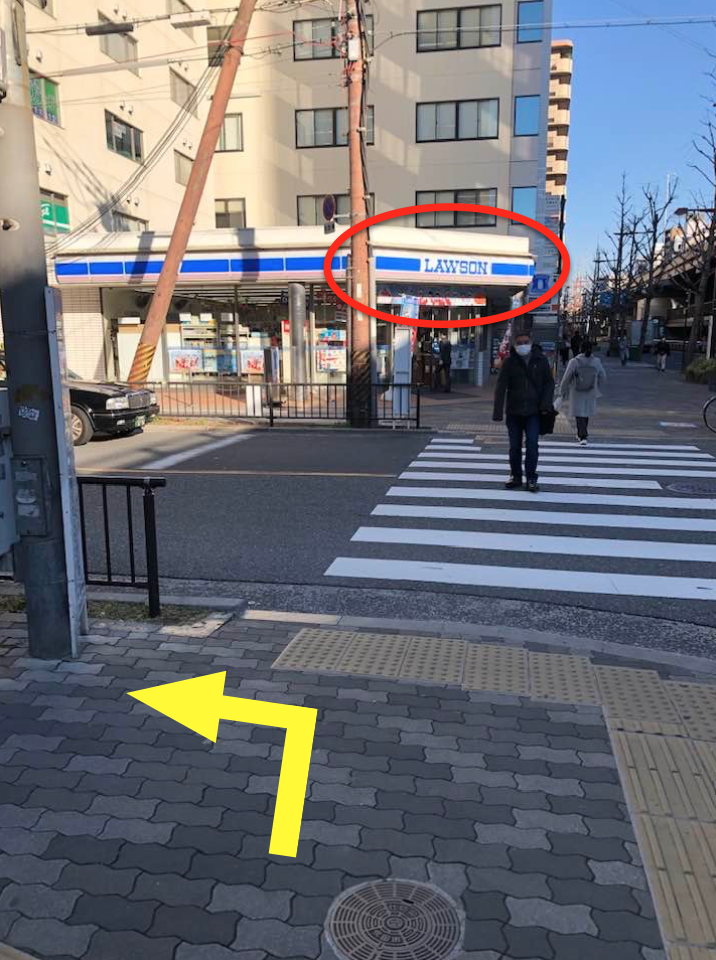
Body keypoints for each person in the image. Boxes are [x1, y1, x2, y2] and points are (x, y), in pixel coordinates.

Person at [493, 329, 555, 493]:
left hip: (534, 411)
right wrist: (497, 412)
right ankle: (516, 476)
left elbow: (549, 383)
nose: (523, 345)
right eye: (519, 343)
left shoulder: (540, 360)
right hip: (514, 411)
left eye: (525, 342)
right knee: (514, 446)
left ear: (531, 342)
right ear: (514, 345)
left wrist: (545, 404)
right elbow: (501, 386)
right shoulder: (509, 362)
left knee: (532, 445)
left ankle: (531, 478)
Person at [558, 339, 606, 446]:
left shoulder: (574, 361)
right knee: (586, 412)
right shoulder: (596, 361)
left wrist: (562, 390)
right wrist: (596, 385)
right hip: (590, 390)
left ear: (580, 349)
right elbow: (603, 376)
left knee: (579, 413)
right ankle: (582, 434)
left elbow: (566, 377)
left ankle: (582, 435)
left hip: (577, 391)